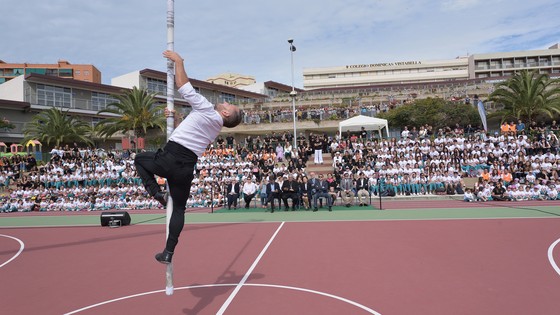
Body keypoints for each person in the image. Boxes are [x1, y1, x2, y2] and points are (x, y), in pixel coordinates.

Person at [134, 50, 243, 264]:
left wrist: (179, 62)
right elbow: (188, 131)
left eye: (229, 105)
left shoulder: (207, 110)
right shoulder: (214, 127)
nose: (226, 103)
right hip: (186, 168)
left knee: (139, 159)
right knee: (180, 208)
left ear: (227, 114)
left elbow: (183, 86)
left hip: (172, 157)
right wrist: (175, 118)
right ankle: (168, 252)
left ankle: (156, 194)